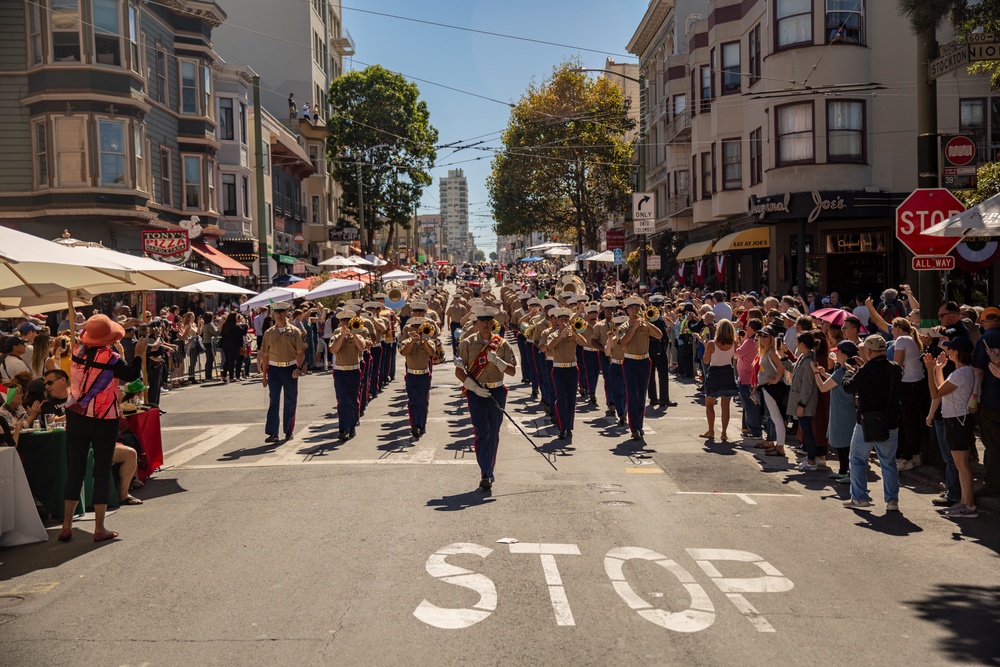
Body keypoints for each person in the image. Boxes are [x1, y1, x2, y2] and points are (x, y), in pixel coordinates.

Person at [59, 315, 144, 543]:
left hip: (76, 415)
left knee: (75, 471)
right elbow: (132, 376)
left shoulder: (77, 350)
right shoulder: (112, 358)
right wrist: (137, 354)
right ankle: (99, 527)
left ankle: (66, 525)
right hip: (104, 418)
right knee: (101, 471)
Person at [455, 307, 517, 492]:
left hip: (497, 391)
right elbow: (459, 371)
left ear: (493, 324)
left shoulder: (502, 344)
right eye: (482, 322)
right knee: (482, 432)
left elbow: (512, 371)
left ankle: (489, 468)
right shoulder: (466, 344)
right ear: (477, 324)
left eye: (489, 322)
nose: (485, 325)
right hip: (477, 393)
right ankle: (486, 473)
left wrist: (498, 361)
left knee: (493, 432)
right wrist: (474, 387)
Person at [842, 336, 902, 512]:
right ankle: (892, 501)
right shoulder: (895, 368)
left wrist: (850, 372)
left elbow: (848, 387)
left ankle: (860, 497)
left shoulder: (866, 370)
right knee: (889, 462)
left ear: (868, 351)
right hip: (890, 421)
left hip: (867, 422)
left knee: (857, 459)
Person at [924, 338, 978, 518]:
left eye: (950, 349)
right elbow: (942, 389)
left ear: (956, 352)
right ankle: (964, 502)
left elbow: (935, 392)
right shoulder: (965, 371)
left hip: (957, 421)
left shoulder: (960, 374)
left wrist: (930, 369)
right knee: (961, 465)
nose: (948, 352)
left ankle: (968, 505)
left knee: (962, 466)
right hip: (958, 420)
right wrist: (938, 369)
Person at [813, 340, 861, 484]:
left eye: (838, 352)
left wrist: (815, 372)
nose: (836, 354)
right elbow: (836, 382)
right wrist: (824, 373)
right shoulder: (848, 370)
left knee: (844, 444)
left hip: (842, 412)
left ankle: (848, 473)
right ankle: (842, 471)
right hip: (845, 410)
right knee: (843, 443)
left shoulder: (841, 371)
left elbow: (823, 388)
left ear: (844, 354)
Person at [616, 296, 663, 441]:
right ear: (627, 311)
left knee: (642, 395)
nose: (635, 311)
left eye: (637, 308)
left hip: (644, 361)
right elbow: (622, 342)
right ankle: (634, 427)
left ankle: (639, 425)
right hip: (630, 361)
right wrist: (634, 327)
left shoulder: (645, 324)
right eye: (632, 309)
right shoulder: (624, 327)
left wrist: (647, 323)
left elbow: (659, 335)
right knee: (632, 395)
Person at [260, 303, 307, 443]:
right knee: (274, 401)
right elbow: (265, 355)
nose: (279, 315)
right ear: (273, 314)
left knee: (290, 401)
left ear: (287, 313)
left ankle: (288, 431)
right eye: (277, 312)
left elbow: (300, 352)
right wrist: (264, 375)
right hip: (274, 370)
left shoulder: (295, 331)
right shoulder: (269, 333)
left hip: (290, 369)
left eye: (282, 312)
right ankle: (273, 432)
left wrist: (299, 368)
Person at [542, 307, 588, 440]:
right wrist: (560, 335)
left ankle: (568, 427)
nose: (564, 322)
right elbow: (549, 347)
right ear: (557, 321)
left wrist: (574, 332)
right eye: (562, 320)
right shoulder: (553, 334)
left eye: (566, 319)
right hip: (558, 370)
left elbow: (584, 343)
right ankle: (562, 427)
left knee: (571, 399)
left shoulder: (572, 333)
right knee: (561, 398)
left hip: (572, 369)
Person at [972, 306, 1000, 501]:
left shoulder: (984, 340)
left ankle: (993, 484)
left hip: (991, 400)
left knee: (992, 445)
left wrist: (975, 398)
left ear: (982, 322)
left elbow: (979, 372)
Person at [330, 311, 368, 441]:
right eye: (343, 321)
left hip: (354, 371)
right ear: (340, 322)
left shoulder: (358, 334)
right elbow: (333, 349)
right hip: (340, 372)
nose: (345, 323)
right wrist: (342, 336)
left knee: (352, 401)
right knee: (342, 401)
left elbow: (362, 347)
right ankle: (344, 429)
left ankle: (351, 427)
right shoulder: (336, 335)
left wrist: (353, 334)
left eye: (348, 321)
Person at [787, 331, 820, 471]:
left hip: (805, 403)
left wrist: (801, 404)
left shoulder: (808, 361)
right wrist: (784, 356)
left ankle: (811, 461)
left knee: (807, 432)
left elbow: (808, 385)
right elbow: (792, 368)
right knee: (806, 431)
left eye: (797, 342)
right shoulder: (803, 357)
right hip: (801, 401)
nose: (796, 345)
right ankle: (809, 457)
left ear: (802, 344)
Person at [701, 319, 739, 441]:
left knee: (709, 404)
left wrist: (705, 346)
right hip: (727, 372)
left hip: (715, 373)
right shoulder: (734, 343)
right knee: (725, 406)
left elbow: (706, 360)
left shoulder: (712, 344)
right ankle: (724, 433)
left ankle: (711, 431)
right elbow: (735, 357)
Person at [399, 317, 435, 440]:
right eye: (414, 327)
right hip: (411, 375)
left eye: (419, 327)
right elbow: (403, 352)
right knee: (413, 401)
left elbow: (432, 353)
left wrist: (424, 340)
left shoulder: (428, 341)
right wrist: (412, 342)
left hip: (424, 375)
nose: (417, 330)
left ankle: (422, 425)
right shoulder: (407, 341)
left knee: (423, 402)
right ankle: (415, 425)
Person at [756, 326, 788, 458]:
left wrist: (775, 380)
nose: (762, 338)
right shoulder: (766, 351)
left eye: (765, 336)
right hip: (767, 388)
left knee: (777, 418)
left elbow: (781, 367)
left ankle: (780, 447)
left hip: (773, 389)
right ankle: (779, 445)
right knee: (775, 418)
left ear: (771, 338)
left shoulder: (771, 352)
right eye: (761, 336)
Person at [219, 312, 245, 383]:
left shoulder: (225, 325)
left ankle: (224, 375)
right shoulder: (235, 326)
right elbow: (243, 332)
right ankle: (231, 377)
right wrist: (244, 324)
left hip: (225, 344)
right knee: (232, 360)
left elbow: (222, 333)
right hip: (233, 344)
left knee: (227, 360)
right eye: (236, 317)